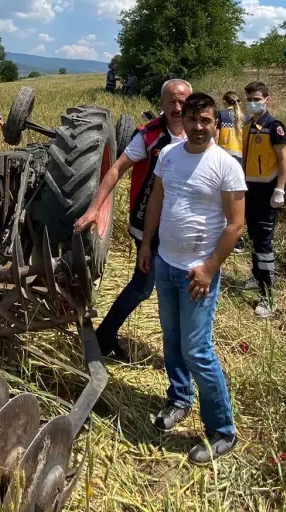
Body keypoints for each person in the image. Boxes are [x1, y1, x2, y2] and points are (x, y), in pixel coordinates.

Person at [138, 92, 245, 464]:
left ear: (216, 124)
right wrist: (146, 245)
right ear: (183, 121)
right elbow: (156, 202)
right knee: (171, 338)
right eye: (193, 120)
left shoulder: (226, 165)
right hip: (166, 263)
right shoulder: (169, 156)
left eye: (207, 121)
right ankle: (180, 399)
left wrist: (210, 267)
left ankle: (223, 431)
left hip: (197, 272)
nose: (199, 127)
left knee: (197, 350)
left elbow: (236, 224)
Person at [74, 79, 192, 361]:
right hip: (148, 225)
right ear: (161, 104)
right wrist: (94, 208)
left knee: (184, 288)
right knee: (142, 286)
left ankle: (185, 351)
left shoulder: (199, 132)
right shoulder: (148, 137)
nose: (177, 107)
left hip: (184, 226)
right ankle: (105, 336)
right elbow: (116, 170)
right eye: (171, 102)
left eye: (182, 101)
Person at [239, 81, 286, 318]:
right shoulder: (248, 125)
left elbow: (283, 159)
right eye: (249, 98)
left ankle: (267, 296)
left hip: (267, 190)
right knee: (253, 236)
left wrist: (280, 189)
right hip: (248, 189)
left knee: (264, 243)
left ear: (267, 99)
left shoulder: (274, 126)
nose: (252, 102)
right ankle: (257, 277)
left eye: (257, 98)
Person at [215, 91, 244, 161]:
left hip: (223, 156)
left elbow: (216, 137)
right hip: (241, 158)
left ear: (224, 102)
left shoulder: (220, 114)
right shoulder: (246, 118)